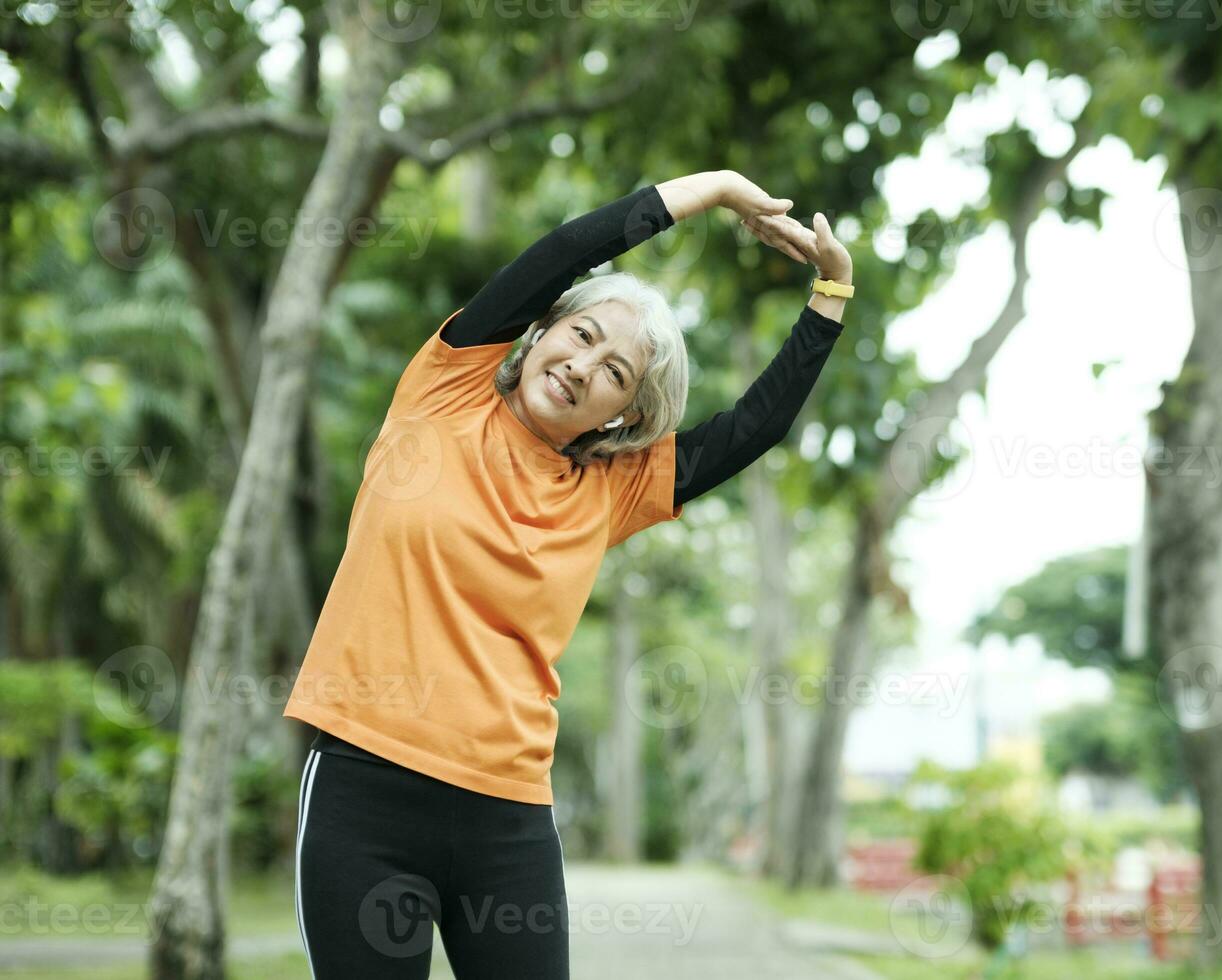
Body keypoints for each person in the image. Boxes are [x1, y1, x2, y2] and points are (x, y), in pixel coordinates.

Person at [282, 170, 854, 978]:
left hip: (506, 817)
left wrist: (831, 292)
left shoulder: (611, 491)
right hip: (363, 794)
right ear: (542, 333)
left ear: (622, 414)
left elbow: (751, 430)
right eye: (584, 337)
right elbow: (564, 252)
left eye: (618, 373)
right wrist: (717, 190)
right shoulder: (444, 392)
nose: (587, 367)